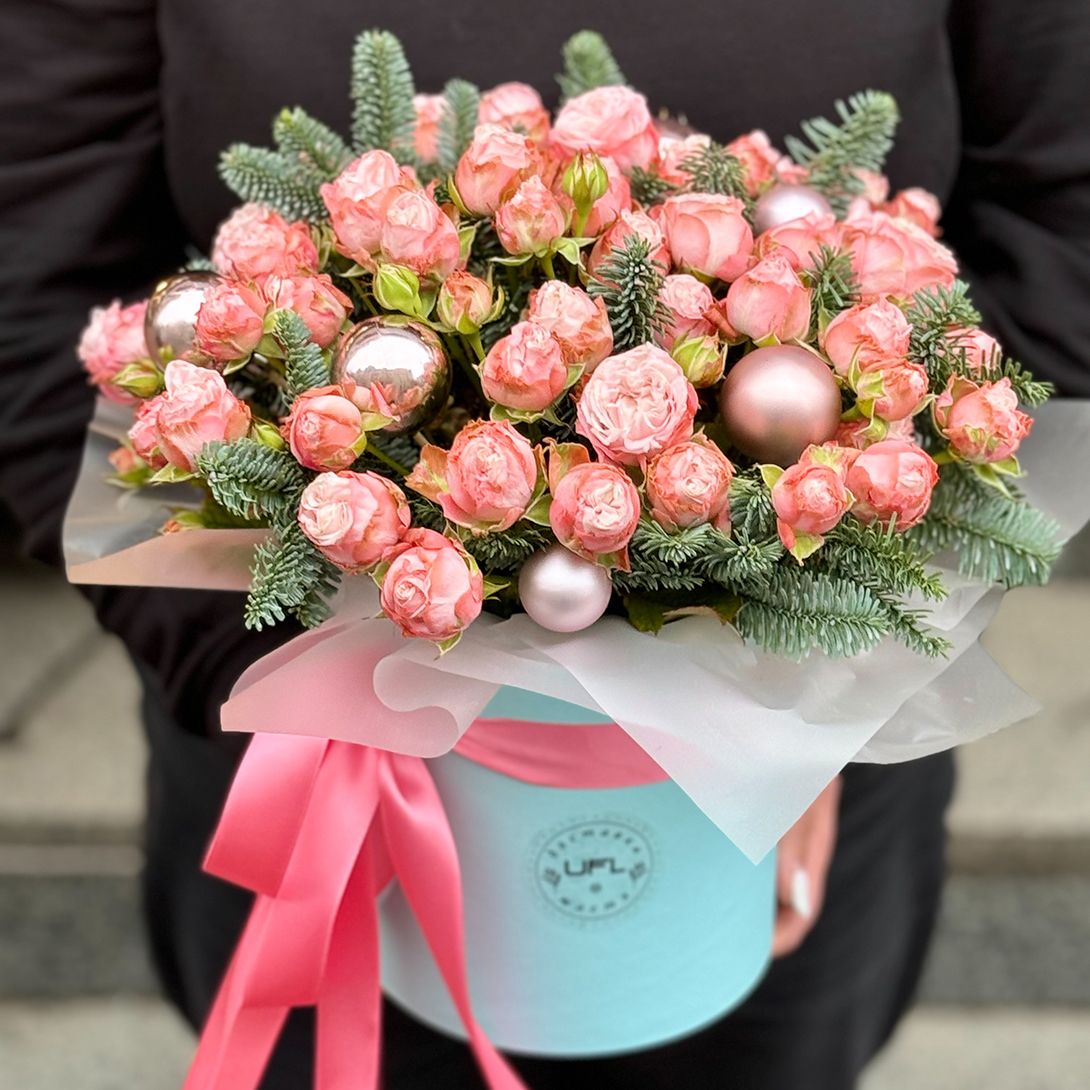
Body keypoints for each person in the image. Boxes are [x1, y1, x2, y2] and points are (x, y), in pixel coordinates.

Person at [2, 2, 1088, 1087]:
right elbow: (34, 292)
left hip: (809, 776)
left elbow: (1065, 231)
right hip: (302, 776)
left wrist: (813, 713)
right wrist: (273, 689)